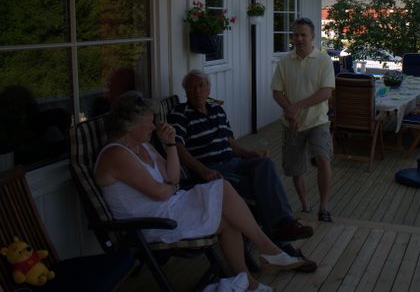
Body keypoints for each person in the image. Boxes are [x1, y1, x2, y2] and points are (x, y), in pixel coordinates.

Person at [94, 91, 305, 292]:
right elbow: (160, 192)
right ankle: (268, 251)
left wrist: (170, 145)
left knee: (227, 211)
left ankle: (252, 277)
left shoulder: (143, 147)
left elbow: (173, 177)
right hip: (151, 224)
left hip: (170, 207)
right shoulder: (116, 155)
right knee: (223, 193)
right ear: (130, 125)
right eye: (149, 121)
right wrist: (171, 187)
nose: (153, 126)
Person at [167, 70, 314, 246]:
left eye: (201, 86)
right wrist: (203, 170)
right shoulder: (180, 113)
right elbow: (178, 147)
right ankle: (281, 237)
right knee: (260, 187)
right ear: (186, 91)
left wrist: (247, 153)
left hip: (234, 162)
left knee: (265, 164)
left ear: (209, 88)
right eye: (192, 87)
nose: (197, 91)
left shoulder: (217, 109)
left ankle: (284, 224)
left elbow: (229, 140)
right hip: (212, 170)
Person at [271, 17, 335, 222]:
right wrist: (290, 113)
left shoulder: (323, 60)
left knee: (323, 159)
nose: (298, 39)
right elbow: (277, 92)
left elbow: (326, 92)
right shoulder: (285, 62)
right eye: (296, 35)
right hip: (291, 123)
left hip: (318, 121)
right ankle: (306, 206)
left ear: (312, 37)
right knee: (296, 167)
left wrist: (297, 107)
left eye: (303, 35)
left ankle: (324, 207)